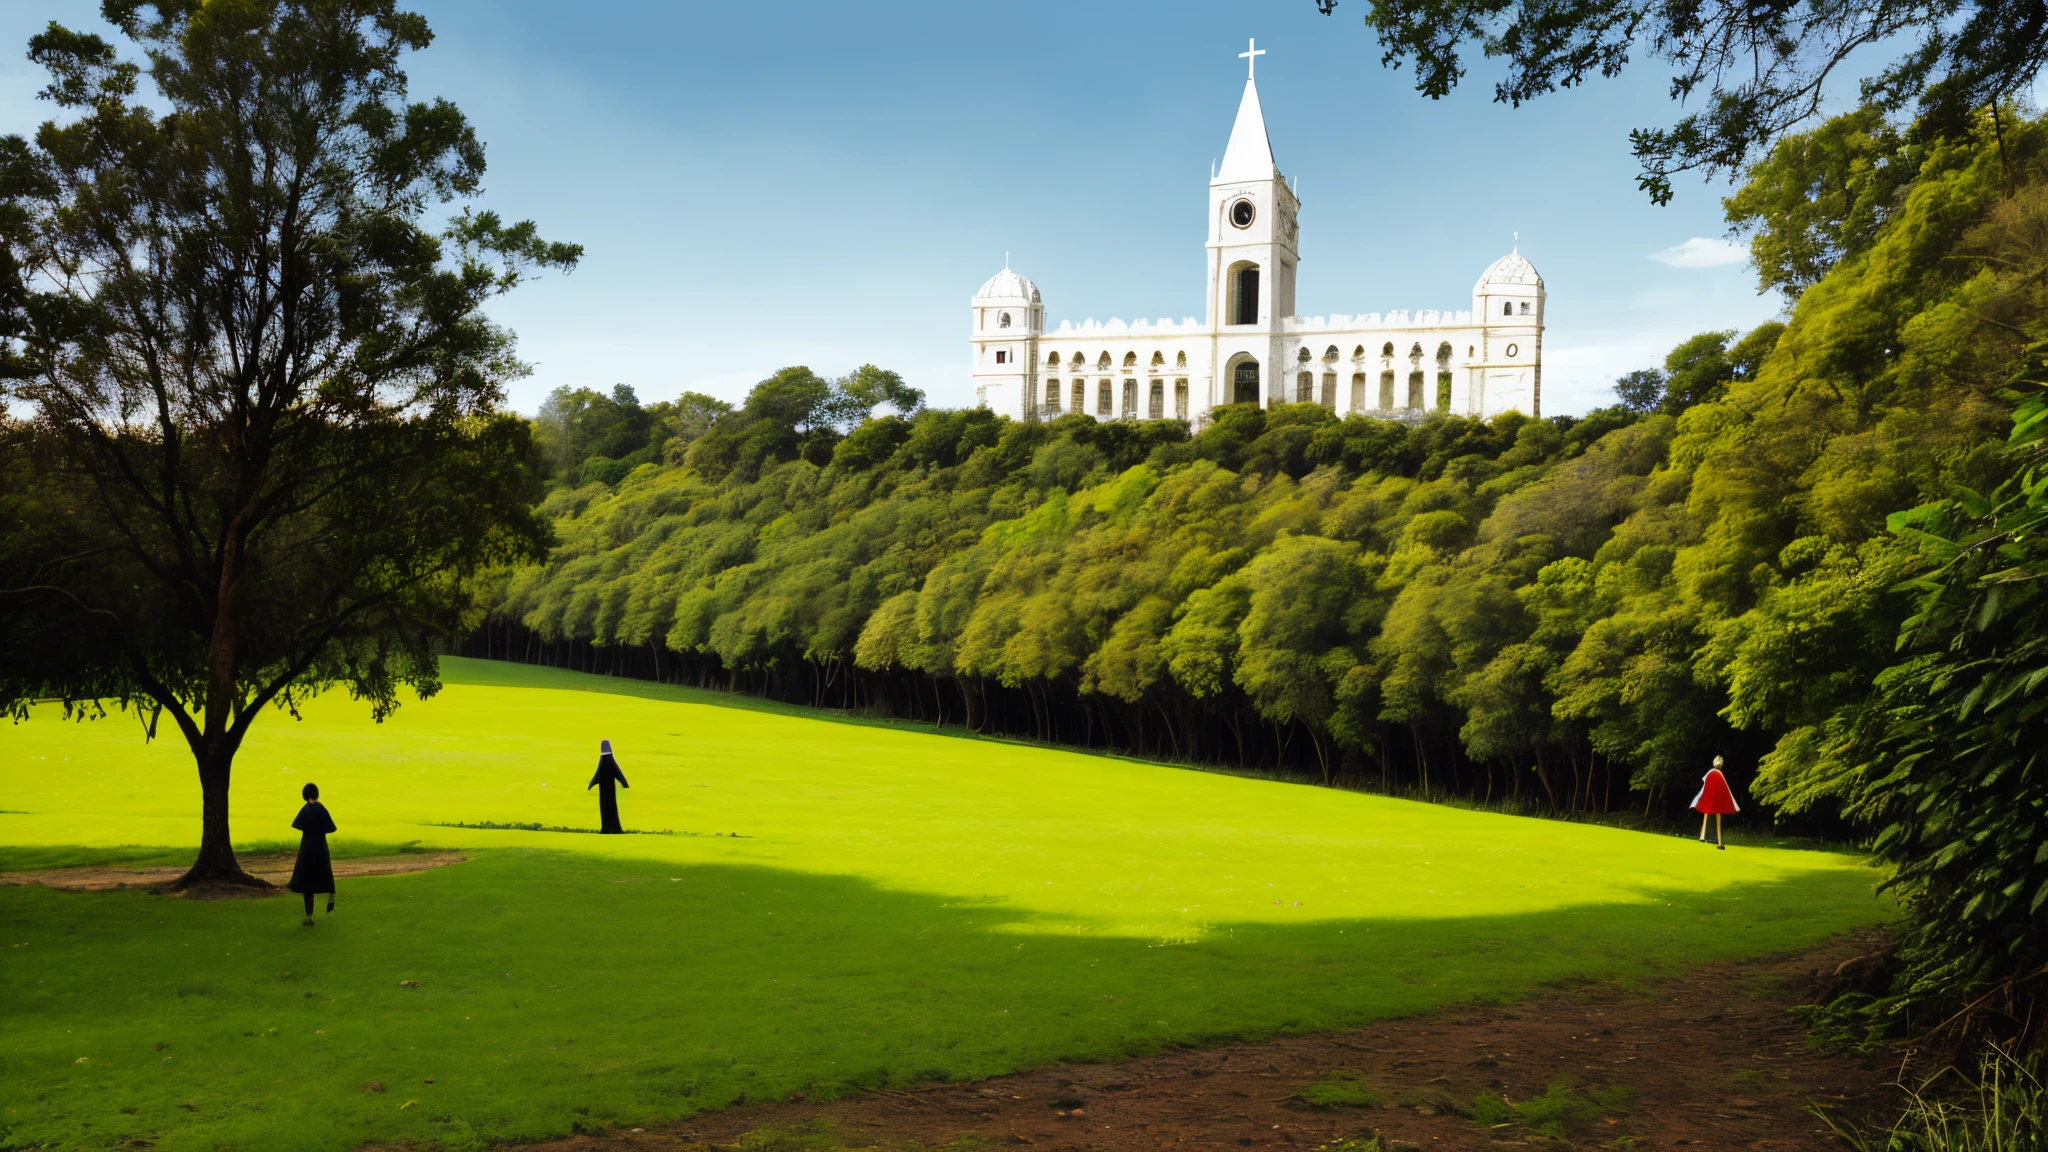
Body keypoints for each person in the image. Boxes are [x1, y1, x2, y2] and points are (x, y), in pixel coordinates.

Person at [288, 783, 338, 925]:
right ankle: (331, 896)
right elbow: (331, 828)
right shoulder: (322, 809)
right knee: (324, 873)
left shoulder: (305, 810)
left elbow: (297, 825)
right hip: (321, 846)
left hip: (307, 847)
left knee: (307, 881)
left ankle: (309, 916)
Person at [1692, 755, 1740, 850]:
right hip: (1717, 799)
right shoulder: (1720, 774)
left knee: (1706, 815)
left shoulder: (1710, 772)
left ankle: (1702, 837)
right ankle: (1719, 840)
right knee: (1717, 818)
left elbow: (1705, 784)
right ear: (1721, 765)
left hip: (1709, 798)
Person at [589, 738, 629, 834]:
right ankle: (614, 828)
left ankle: (606, 828)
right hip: (610, 789)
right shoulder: (610, 760)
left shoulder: (602, 760)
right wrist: (624, 783)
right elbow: (618, 772)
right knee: (611, 807)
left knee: (604, 808)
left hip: (603, 789)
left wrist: (592, 783)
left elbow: (598, 774)